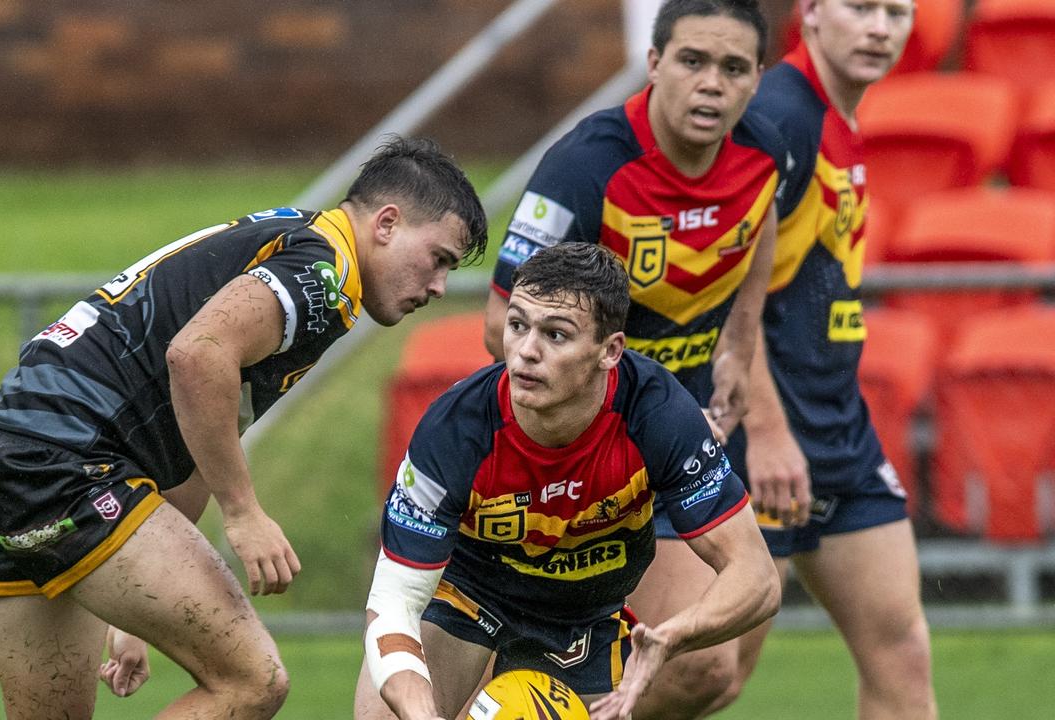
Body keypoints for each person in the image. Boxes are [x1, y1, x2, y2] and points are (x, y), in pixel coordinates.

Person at [0, 135, 489, 720]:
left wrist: (142, 610)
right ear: (386, 223)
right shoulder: (321, 274)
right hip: (65, 463)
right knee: (254, 682)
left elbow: (206, 422)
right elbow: (198, 355)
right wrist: (243, 511)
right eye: (439, 259)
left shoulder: (294, 241)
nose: (438, 287)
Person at [482, 2, 785, 716]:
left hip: (687, 441)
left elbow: (762, 220)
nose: (711, 84)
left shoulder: (764, 155)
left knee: (726, 663)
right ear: (653, 65)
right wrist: (613, 407)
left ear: (756, 80)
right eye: (692, 62)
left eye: (733, 68)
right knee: (699, 665)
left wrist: (740, 343)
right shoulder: (587, 166)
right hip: (591, 454)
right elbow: (500, 322)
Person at [355, 242, 780, 720]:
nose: (526, 353)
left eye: (556, 335)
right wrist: (420, 713)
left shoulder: (658, 412)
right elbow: (394, 600)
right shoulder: (454, 430)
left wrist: (672, 636)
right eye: (517, 325)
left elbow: (757, 577)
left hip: (584, 616)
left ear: (609, 351)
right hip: (468, 591)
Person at [718, 1, 936, 717]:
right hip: (765, 434)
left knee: (901, 648)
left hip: (838, 428)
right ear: (809, 12)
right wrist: (770, 433)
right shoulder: (779, 117)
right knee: (710, 675)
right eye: (861, 7)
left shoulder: (835, 115)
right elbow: (719, 290)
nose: (880, 28)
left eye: (896, 12)